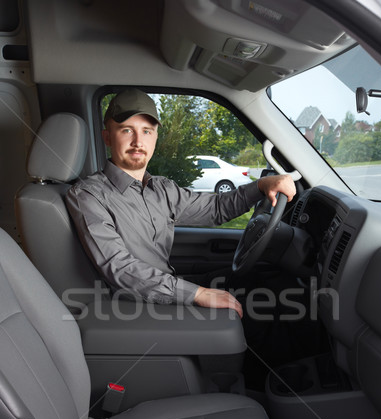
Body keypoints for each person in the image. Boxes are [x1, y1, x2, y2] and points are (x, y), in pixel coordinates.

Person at [66, 89, 296, 318]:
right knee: (266, 310)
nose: (138, 141)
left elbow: (215, 209)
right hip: (137, 304)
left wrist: (261, 186)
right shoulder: (88, 195)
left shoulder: (162, 188)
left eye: (147, 131)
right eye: (126, 130)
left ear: (155, 137)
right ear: (107, 137)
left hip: (166, 288)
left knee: (266, 277)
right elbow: (118, 266)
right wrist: (196, 294)